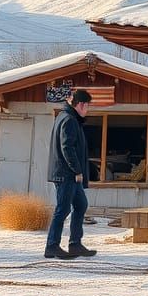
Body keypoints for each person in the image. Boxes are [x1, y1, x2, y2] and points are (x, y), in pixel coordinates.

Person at [44, 88, 97, 259]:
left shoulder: (67, 117)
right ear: (80, 104)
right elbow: (67, 147)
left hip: (68, 173)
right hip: (66, 174)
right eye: (87, 106)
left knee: (81, 205)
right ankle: (52, 246)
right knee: (63, 209)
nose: (87, 109)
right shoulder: (69, 120)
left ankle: (75, 244)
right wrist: (77, 170)